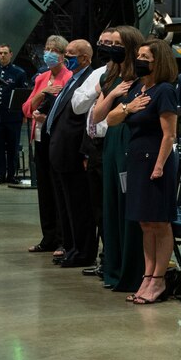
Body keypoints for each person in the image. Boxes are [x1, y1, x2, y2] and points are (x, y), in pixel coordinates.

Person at [104, 39, 180, 304]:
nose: (139, 61)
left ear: (159, 61)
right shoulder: (137, 88)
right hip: (135, 161)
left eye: (145, 57)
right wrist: (128, 107)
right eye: (138, 56)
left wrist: (159, 166)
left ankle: (159, 279)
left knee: (159, 222)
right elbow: (111, 119)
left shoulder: (165, 90)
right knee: (144, 223)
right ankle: (147, 276)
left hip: (156, 163)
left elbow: (169, 134)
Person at [92, 25, 146, 294]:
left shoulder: (142, 78)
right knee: (111, 204)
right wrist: (113, 95)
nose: (112, 48)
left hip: (130, 140)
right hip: (112, 141)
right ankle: (112, 268)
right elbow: (97, 116)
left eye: (117, 44)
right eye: (110, 44)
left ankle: (131, 270)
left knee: (127, 205)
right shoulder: (110, 76)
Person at [71, 28, 119, 276]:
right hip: (94, 146)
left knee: (111, 207)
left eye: (110, 43)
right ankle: (105, 257)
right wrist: (97, 91)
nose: (105, 47)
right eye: (102, 42)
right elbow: (77, 105)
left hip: (112, 143)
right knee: (98, 207)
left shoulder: (125, 75)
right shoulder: (98, 74)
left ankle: (111, 258)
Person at [45, 39, 97, 268]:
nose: (66, 58)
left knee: (79, 206)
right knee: (66, 206)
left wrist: (84, 153)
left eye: (71, 54)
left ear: (85, 58)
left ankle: (83, 251)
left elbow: (85, 120)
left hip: (74, 153)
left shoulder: (89, 79)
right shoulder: (73, 78)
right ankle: (72, 246)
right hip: (61, 151)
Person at [22, 35, 72, 256]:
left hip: (57, 140)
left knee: (58, 190)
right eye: (47, 48)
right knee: (44, 190)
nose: (49, 53)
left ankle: (63, 239)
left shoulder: (68, 78)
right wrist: (41, 95)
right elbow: (26, 108)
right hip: (39, 138)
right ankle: (48, 237)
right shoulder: (41, 78)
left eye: (54, 50)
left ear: (62, 55)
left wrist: (48, 117)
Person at [0, 44, 28, 184]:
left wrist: (24, 115)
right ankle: (1, 175)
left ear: (11, 54)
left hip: (13, 118)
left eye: (5, 53)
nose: (3, 55)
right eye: (0, 53)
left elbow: (23, 95)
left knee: (13, 148)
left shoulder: (19, 73)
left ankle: (12, 175)